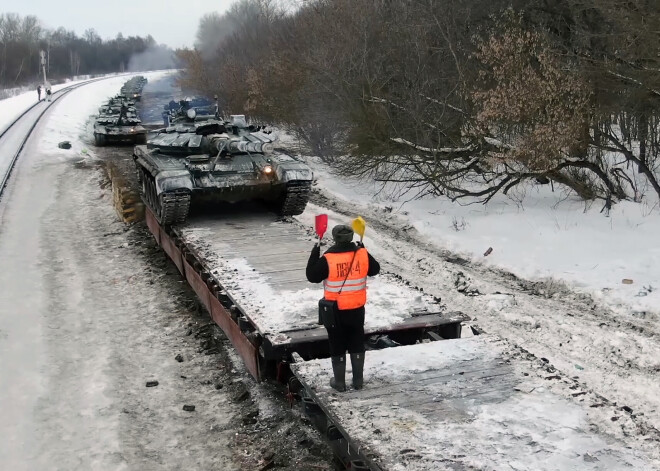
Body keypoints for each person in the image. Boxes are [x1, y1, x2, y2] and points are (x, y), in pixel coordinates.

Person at [306, 224, 380, 391]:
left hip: (335, 310)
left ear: (335, 238)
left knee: (337, 342)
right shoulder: (361, 254)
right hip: (357, 308)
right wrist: (364, 250)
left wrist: (314, 252)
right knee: (356, 340)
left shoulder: (329, 258)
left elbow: (312, 276)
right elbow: (375, 270)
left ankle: (339, 383)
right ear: (351, 237)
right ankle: (358, 381)